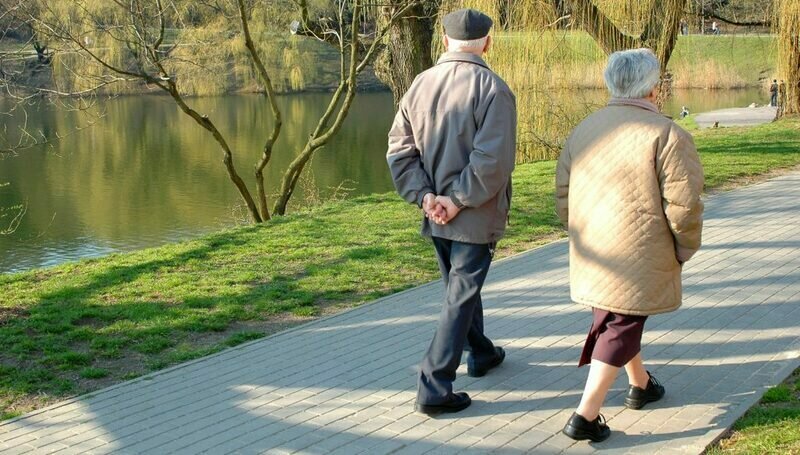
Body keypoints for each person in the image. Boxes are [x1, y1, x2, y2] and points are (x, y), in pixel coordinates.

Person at [556, 48, 704, 441]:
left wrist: (578, 232)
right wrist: (685, 247)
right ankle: (585, 416)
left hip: (594, 247)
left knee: (617, 316)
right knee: (621, 324)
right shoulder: (667, 134)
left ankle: (640, 384)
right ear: (653, 88)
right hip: (641, 249)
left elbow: (563, 193)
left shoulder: (584, 129)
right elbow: (685, 205)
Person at [386, 8, 516, 415]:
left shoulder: (419, 85)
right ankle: (434, 385)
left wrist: (425, 197)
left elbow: (400, 152)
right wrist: (456, 200)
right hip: (473, 214)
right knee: (459, 297)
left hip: (436, 213)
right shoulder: (493, 89)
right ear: (487, 43)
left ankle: (482, 353)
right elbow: (492, 161)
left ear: (444, 41)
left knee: (460, 291)